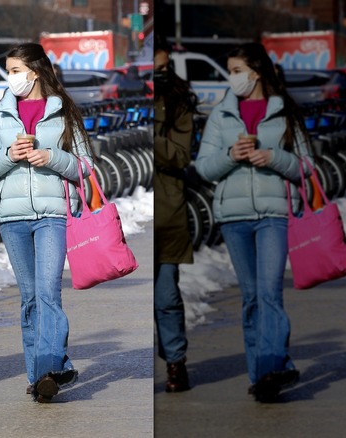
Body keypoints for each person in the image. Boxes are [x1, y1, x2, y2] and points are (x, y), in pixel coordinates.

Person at [0, 43, 92, 403]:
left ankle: (48, 370)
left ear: (34, 72)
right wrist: (10, 155)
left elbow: (86, 166)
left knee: (47, 292)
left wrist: (51, 157)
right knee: (29, 299)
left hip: (53, 214)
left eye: (14, 70)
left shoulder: (63, 112)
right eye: (8, 71)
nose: (10, 78)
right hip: (12, 217)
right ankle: (39, 373)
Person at [195, 42, 312, 403]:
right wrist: (231, 155)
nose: (232, 78)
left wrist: (273, 157)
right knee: (250, 299)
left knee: (270, 293)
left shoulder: (284, 113)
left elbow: (308, 167)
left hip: (273, 215)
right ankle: (261, 374)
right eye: (230, 72)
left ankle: (274, 367)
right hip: (234, 217)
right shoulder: (221, 114)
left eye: (236, 71)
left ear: (256, 72)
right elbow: (204, 167)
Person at [153, 35, 196, 393]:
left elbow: (181, 156)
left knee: (166, 297)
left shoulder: (179, 101)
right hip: (136, 217)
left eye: (164, 68)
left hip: (168, 212)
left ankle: (175, 363)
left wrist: (152, 133)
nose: (159, 74)